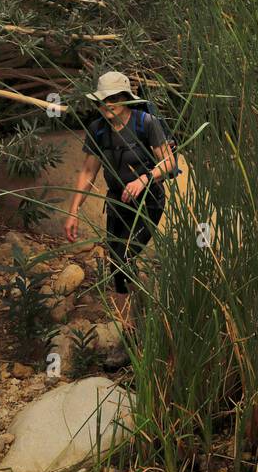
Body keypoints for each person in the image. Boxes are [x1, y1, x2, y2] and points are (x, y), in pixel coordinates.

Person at [65, 72, 176, 323]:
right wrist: (73, 212)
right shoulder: (98, 129)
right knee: (116, 260)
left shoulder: (146, 123)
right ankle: (128, 320)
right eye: (102, 99)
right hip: (117, 203)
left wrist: (142, 179)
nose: (107, 104)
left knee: (123, 256)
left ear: (126, 98)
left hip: (148, 203)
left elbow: (168, 163)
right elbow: (88, 171)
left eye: (113, 98)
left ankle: (141, 317)